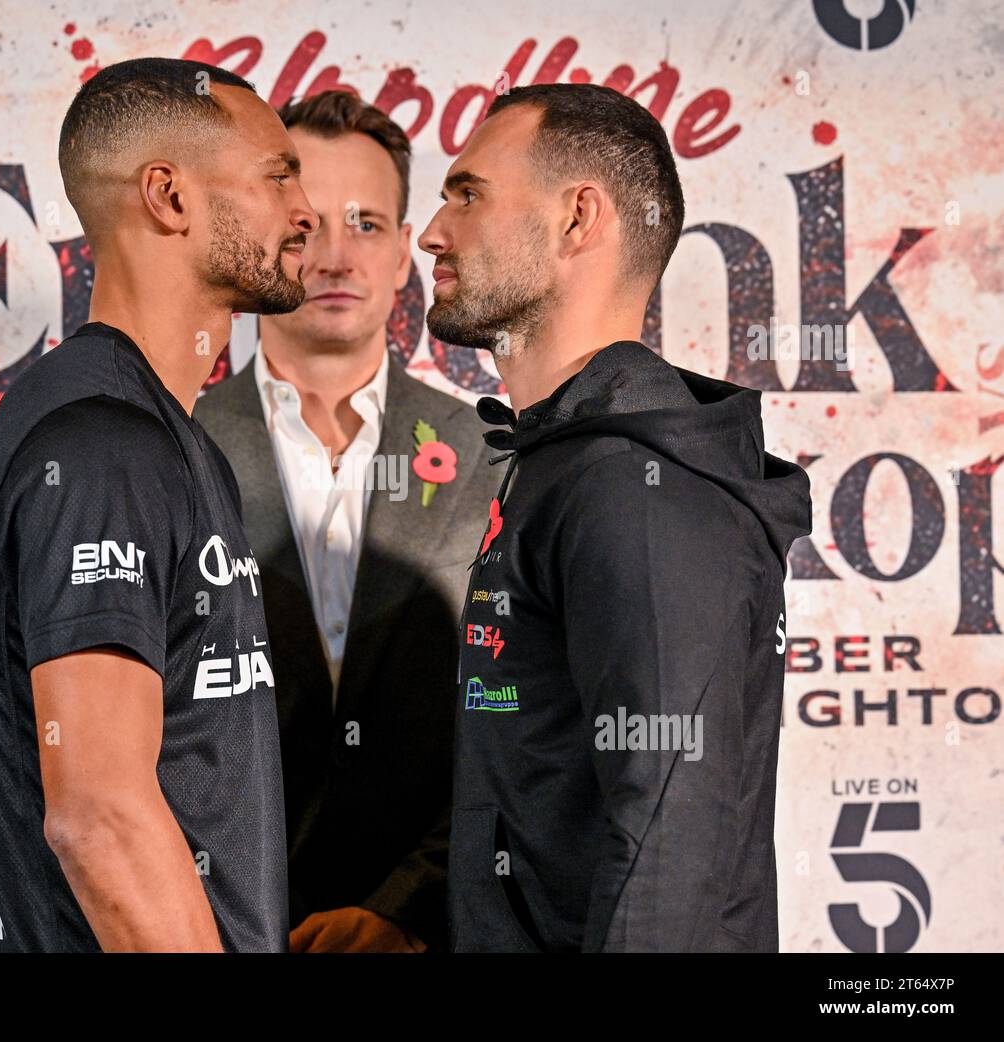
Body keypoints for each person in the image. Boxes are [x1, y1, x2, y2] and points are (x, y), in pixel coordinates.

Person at [417, 83, 813, 952]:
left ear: (576, 220)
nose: (432, 231)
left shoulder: (634, 488)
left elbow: (669, 839)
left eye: (468, 192)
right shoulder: (566, 462)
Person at [0, 57, 317, 952]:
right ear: (169, 196)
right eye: (278, 176)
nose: (306, 212)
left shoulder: (160, 434)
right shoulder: (102, 446)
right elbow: (101, 820)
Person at [195, 91, 497, 952]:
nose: (334, 254)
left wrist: (407, 907)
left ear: (407, 251)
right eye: (308, 222)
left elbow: (515, 716)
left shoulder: (491, 455)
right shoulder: (174, 451)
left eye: (367, 223)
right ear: (264, 236)